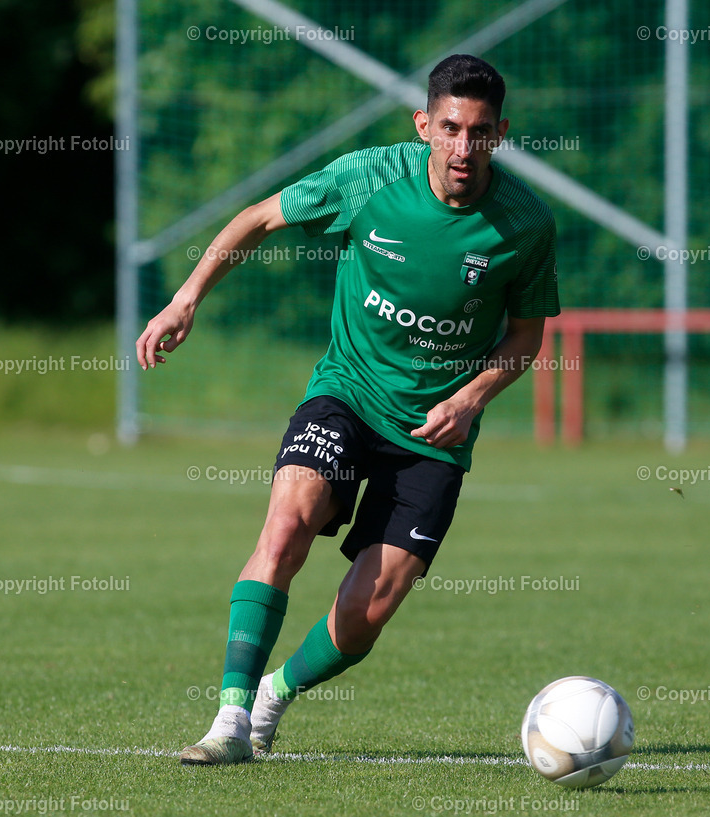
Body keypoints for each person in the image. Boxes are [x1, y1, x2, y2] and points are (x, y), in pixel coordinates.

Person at [135, 54, 559, 766]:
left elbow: (525, 334)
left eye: (480, 132)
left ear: (501, 134)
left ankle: (276, 693)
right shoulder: (368, 178)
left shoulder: (524, 225)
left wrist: (470, 395)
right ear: (424, 125)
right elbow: (259, 218)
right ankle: (230, 718)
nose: (464, 147)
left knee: (369, 611)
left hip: (433, 433)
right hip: (348, 394)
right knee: (287, 523)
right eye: (450, 128)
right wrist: (187, 298)